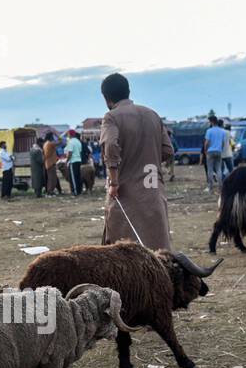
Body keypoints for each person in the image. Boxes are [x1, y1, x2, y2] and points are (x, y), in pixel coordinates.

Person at [99, 73, 174, 250]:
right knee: (159, 248)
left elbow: (110, 145)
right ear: (128, 91)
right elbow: (168, 150)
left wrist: (114, 181)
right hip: (154, 191)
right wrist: (148, 160)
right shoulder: (153, 115)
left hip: (125, 194)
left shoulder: (111, 117)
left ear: (106, 98)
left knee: (123, 250)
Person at [203, 114, 228, 192]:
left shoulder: (209, 131)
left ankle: (210, 187)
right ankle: (220, 187)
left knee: (210, 170)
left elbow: (207, 142)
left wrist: (205, 150)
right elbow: (223, 142)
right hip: (218, 151)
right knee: (219, 169)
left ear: (211, 122)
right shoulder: (222, 131)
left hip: (210, 151)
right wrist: (221, 149)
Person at [65, 129, 84, 196]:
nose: (68, 135)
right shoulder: (78, 141)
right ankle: (79, 190)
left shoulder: (70, 142)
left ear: (70, 134)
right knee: (78, 176)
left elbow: (70, 152)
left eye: (68, 134)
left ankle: (75, 191)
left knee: (73, 177)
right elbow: (80, 151)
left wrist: (67, 161)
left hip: (73, 161)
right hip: (78, 160)